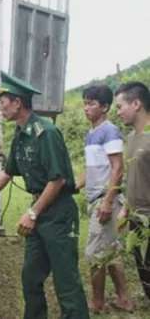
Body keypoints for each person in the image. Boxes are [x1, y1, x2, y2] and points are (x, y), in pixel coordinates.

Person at [0, 72, 89, 319]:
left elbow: (57, 180)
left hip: (58, 214)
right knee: (31, 277)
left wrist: (33, 213)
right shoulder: (20, 132)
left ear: (18, 102)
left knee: (66, 281)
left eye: (3, 102)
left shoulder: (45, 133)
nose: (1, 108)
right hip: (39, 210)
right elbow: (8, 172)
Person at [76, 85, 133, 313]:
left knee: (95, 254)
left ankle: (98, 303)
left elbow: (118, 169)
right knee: (110, 251)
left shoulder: (109, 131)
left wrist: (108, 202)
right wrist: (72, 186)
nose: (86, 108)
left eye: (91, 103)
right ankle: (124, 299)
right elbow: (91, 170)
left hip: (104, 200)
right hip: (96, 199)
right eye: (85, 103)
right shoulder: (92, 133)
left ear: (105, 107)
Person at [115, 81, 150, 300]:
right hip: (136, 221)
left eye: (120, 106)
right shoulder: (130, 139)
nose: (117, 112)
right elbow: (134, 178)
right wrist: (125, 209)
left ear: (136, 103)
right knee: (145, 276)